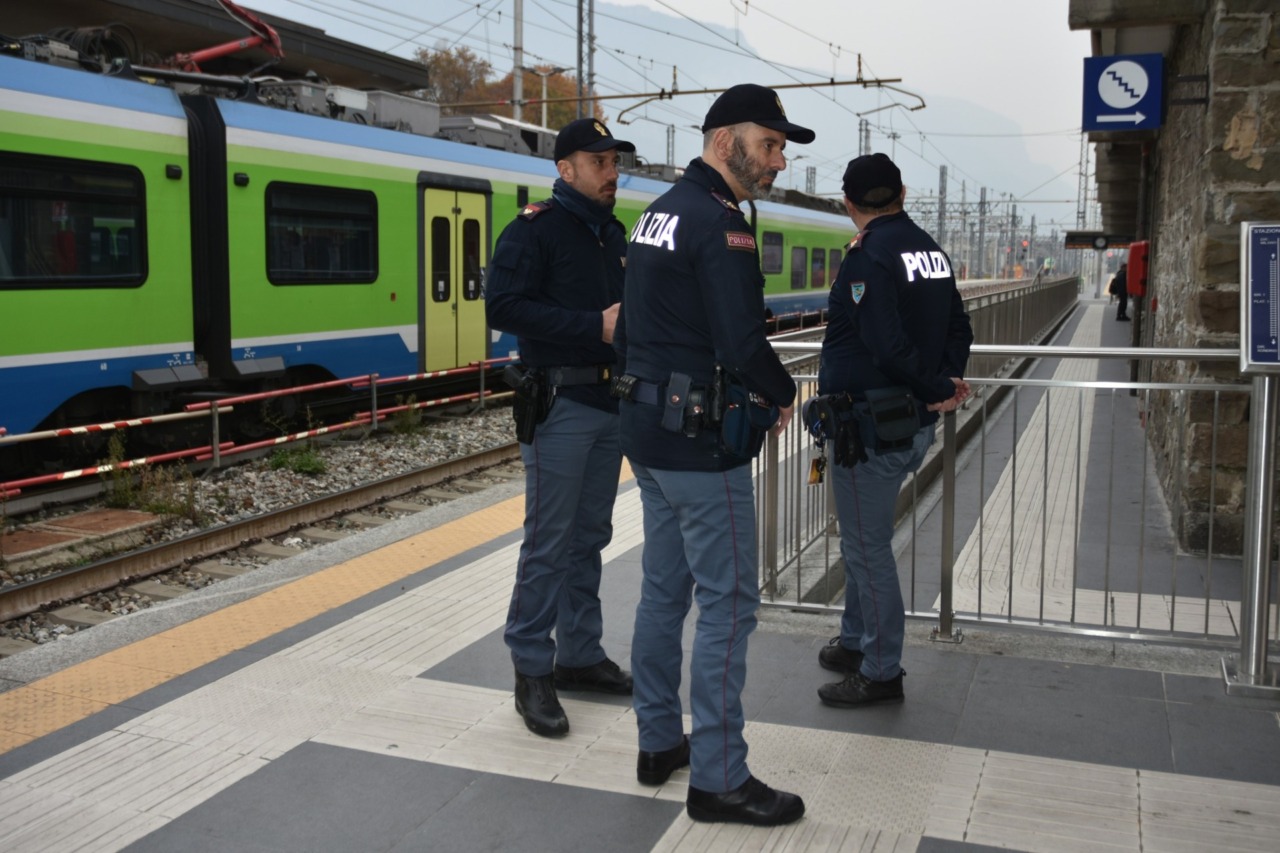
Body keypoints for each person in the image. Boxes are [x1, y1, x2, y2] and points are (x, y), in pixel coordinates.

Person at [615, 84, 810, 827]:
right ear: (726, 137)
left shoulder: (658, 212)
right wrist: (782, 392)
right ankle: (720, 776)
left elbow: (632, 326)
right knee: (730, 602)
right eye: (770, 144)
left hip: (649, 434)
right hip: (701, 448)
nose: (778, 160)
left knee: (664, 592)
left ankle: (659, 740)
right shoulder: (720, 224)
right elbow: (740, 341)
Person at [485, 118, 636, 738]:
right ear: (564, 169)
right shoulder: (534, 231)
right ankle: (531, 668)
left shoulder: (614, 233)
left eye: (614, 162)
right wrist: (591, 328)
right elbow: (503, 307)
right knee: (548, 540)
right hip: (561, 406)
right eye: (598, 163)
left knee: (589, 536)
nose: (611, 173)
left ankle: (579, 654)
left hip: (609, 406)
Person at [814, 152, 974, 709]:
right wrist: (947, 379)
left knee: (865, 548)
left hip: (869, 427)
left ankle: (880, 670)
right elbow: (959, 323)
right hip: (911, 424)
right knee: (867, 539)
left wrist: (933, 383)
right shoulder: (930, 251)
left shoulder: (868, 256)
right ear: (903, 193)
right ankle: (856, 640)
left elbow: (883, 343)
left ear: (849, 204)